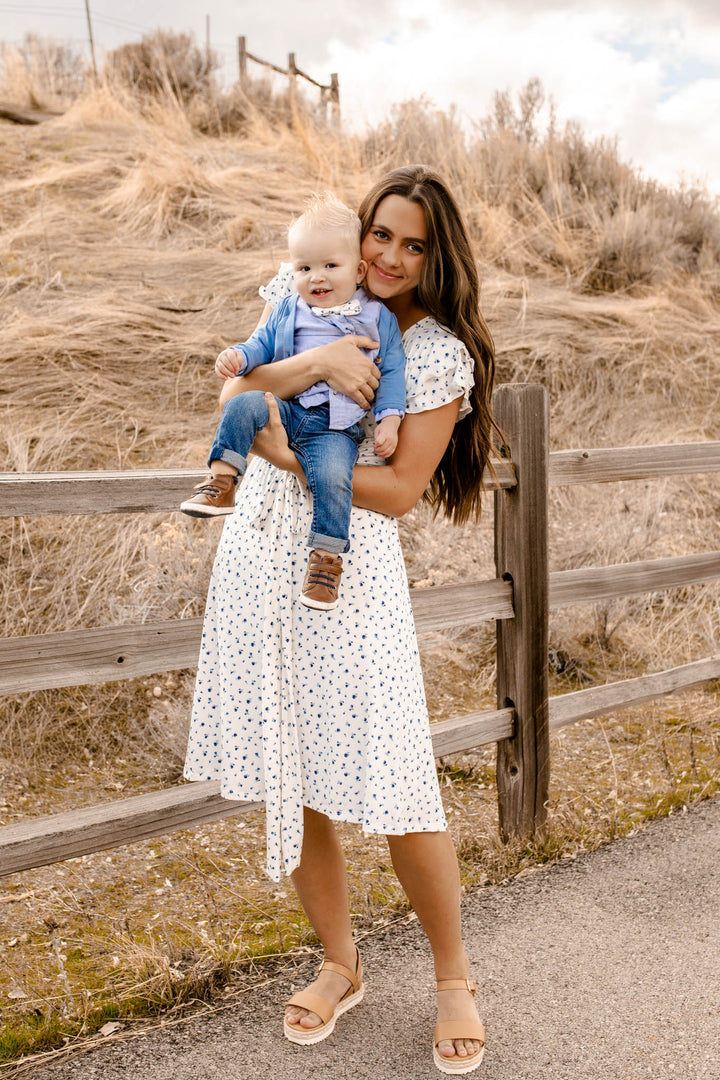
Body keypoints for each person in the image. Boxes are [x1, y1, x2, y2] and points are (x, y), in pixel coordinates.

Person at [184, 165, 496, 1074]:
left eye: (415, 245)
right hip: (259, 559)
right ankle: (339, 962)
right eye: (382, 235)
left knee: (394, 767)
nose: (391, 257)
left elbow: (399, 491)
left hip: (347, 571)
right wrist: (317, 363)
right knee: (294, 764)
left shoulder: (434, 352)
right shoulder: (303, 284)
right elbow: (237, 398)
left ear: (439, 260)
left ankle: (453, 978)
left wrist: (287, 461)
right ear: (356, 234)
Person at [180, 193, 407, 611]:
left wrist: (390, 420)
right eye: (304, 268)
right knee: (241, 405)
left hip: (335, 426)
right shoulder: (288, 307)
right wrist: (239, 356)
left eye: (329, 266)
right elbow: (260, 344)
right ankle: (222, 481)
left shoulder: (378, 317)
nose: (315, 277)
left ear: (358, 270)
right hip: (285, 410)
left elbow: (391, 374)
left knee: (335, 475)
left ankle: (325, 562)